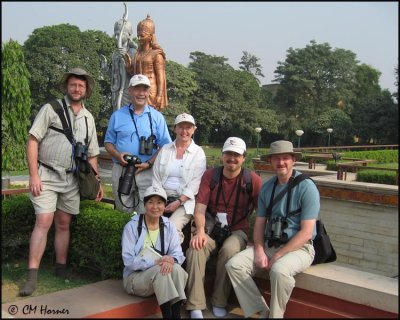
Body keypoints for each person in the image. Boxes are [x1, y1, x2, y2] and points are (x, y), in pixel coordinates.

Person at [19, 68, 104, 296]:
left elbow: (93, 154)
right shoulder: (51, 109)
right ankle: (32, 276)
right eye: (73, 85)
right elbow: (32, 140)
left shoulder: (88, 118)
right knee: (44, 220)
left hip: (72, 178)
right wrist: (33, 175)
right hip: (46, 174)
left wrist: (96, 182)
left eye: (81, 86)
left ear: (86, 91)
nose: (77, 89)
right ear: (66, 86)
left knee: (64, 222)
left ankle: (60, 268)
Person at [225, 140, 320, 318]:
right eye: (276, 158)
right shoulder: (267, 188)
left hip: (300, 248)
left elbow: (307, 232)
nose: (281, 162)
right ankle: (261, 311)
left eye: (285, 158)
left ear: (293, 160)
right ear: (270, 161)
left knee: (279, 270)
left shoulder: (307, 187)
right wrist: (260, 250)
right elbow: (260, 224)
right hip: (270, 243)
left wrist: (279, 254)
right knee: (234, 265)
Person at [185, 137, 262, 319]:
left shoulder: (252, 180)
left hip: (237, 229)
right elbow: (200, 208)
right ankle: (195, 304)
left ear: (243, 158)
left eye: (236, 155)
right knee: (196, 248)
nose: (232, 158)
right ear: (222, 156)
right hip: (211, 227)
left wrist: (258, 242)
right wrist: (200, 230)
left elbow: (262, 214)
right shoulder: (211, 176)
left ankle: (219, 301)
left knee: (230, 250)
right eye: (228, 154)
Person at [104, 74, 172, 214]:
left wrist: (149, 163)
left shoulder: (157, 117)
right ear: (130, 91)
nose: (141, 93)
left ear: (148, 92)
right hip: (122, 169)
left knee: (147, 212)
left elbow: (165, 145)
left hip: (147, 171)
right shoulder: (117, 115)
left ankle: (143, 236)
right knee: (122, 210)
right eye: (137, 89)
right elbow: (108, 142)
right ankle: (124, 236)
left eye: (144, 89)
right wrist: (117, 154)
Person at [122, 185, 187, 319]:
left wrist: (171, 259)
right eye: (150, 202)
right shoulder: (132, 226)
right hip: (135, 279)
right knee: (161, 270)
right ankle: (168, 316)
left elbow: (178, 254)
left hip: (158, 280)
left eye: (159, 202)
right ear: (145, 205)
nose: (155, 207)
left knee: (177, 269)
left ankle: (176, 315)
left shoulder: (169, 226)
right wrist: (156, 262)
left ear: (165, 205)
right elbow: (128, 261)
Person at [152, 113, 206, 243]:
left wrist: (178, 202)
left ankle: (174, 259)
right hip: (161, 197)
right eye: (181, 127)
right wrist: (160, 200)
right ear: (175, 129)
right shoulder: (165, 149)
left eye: (188, 127)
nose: (184, 131)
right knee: (146, 224)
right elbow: (156, 177)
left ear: (194, 130)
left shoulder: (198, 153)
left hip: (184, 202)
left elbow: (195, 184)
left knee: (171, 228)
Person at [133, 14, 168, 110]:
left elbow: (160, 76)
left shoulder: (157, 54)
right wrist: (129, 66)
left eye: (142, 36)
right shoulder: (138, 54)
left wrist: (159, 95)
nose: (139, 38)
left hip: (151, 90)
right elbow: (135, 73)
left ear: (150, 36)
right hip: (137, 90)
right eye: (138, 36)